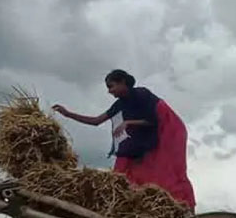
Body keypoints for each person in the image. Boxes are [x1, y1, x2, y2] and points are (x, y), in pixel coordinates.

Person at [52, 69, 196, 209]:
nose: (109, 91)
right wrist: (68, 114)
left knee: (167, 168)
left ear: (122, 82)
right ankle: (131, 202)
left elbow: (153, 121)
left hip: (169, 129)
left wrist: (128, 123)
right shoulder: (120, 103)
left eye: (111, 86)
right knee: (127, 164)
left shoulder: (142, 94)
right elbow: (96, 121)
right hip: (145, 134)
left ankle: (183, 204)